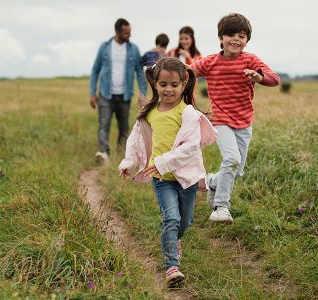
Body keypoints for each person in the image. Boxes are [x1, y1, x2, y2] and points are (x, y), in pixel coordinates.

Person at [118, 57, 217, 287]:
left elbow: (191, 147)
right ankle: (172, 266)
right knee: (170, 218)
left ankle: (175, 240)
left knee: (185, 221)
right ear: (155, 83)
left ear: (184, 84)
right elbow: (136, 139)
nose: (168, 89)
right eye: (163, 84)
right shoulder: (149, 112)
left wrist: (163, 161)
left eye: (174, 85)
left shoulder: (188, 114)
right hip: (162, 179)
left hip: (186, 178)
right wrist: (128, 161)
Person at [190, 13, 281, 223]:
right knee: (231, 160)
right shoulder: (211, 62)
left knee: (237, 171)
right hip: (220, 119)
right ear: (221, 37)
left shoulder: (250, 60)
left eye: (241, 35)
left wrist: (259, 77)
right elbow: (187, 71)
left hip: (244, 122)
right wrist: (162, 70)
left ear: (246, 40)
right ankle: (221, 207)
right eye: (230, 34)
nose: (235, 39)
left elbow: (275, 78)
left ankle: (211, 182)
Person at [89, 18, 147, 163]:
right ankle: (103, 154)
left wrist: (142, 94)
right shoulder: (105, 47)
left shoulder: (134, 49)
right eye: (126, 33)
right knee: (104, 124)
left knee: (124, 127)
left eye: (130, 33)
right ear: (117, 32)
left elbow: (139, 72)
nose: (129, 36)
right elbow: (95, 70)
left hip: (124, 95)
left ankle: (122, 155)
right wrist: (92, 93)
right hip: (105, 94)